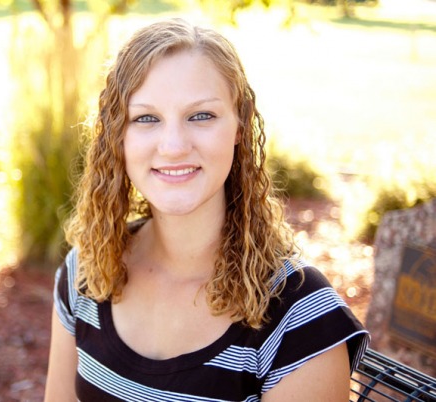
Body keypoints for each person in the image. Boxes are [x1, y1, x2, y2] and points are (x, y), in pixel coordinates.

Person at [44, 18, 369, 402]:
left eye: (201, 116)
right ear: (118, 136)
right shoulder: (87, 270)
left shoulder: (297, 318)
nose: (173, 145)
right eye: (146, 118)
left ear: (238, 129)